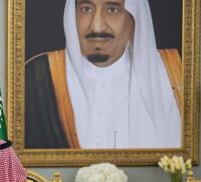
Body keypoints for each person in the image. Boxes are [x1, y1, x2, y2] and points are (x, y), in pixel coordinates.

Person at [25, 0, 182, 149]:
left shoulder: (173, 75)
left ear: (134, 17)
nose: (97, 27)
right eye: (86, 9)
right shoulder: (37, 77)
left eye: (112, 9)